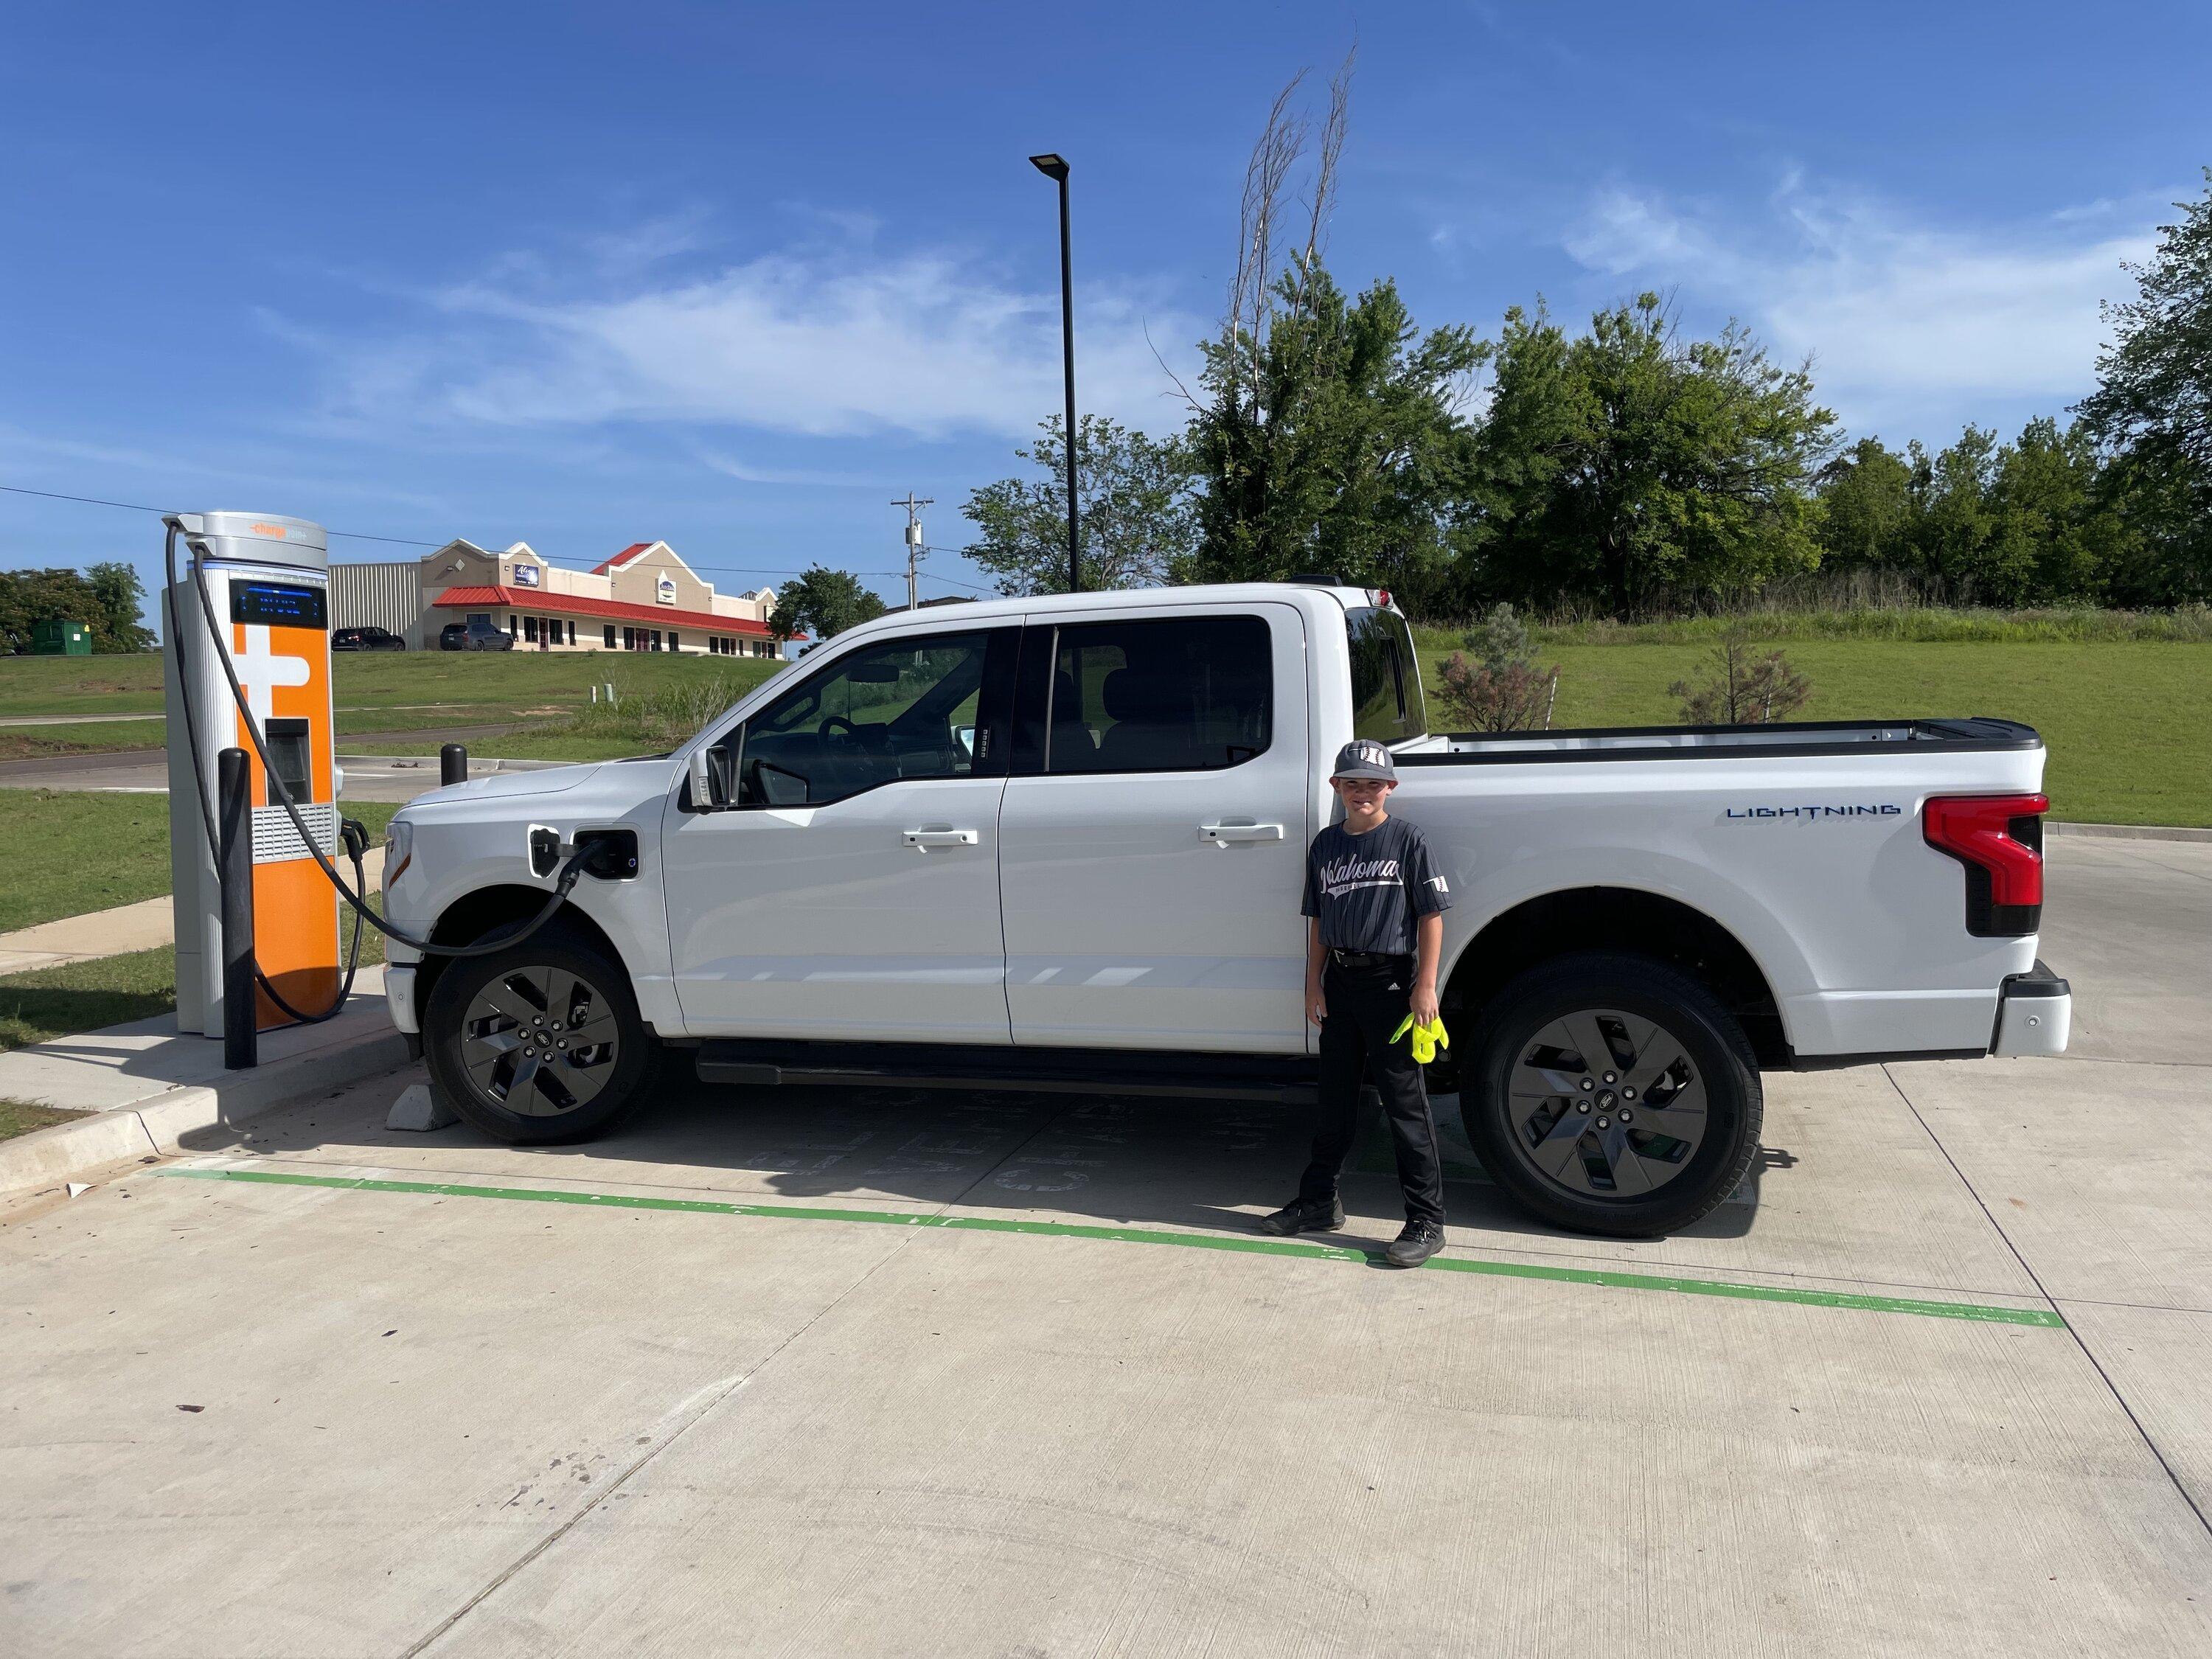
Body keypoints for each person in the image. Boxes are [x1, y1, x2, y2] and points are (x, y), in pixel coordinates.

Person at [1258, 739, 1453, 1267]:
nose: (1361, 792)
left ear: (1390, 787)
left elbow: (1431, 916)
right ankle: (1320, 1201)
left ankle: (1427, 1221)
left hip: (1392, 985)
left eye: (1371, 783)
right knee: (1335, 1100)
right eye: (1351, 783)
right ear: (1336, 788)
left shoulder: (1408, 841)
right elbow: (1319, 921)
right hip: (1340, 982)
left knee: (1404, 1106)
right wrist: (1312, 982)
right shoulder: (1325, 846)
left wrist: (1425, 985)